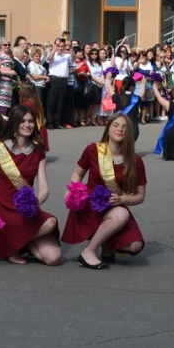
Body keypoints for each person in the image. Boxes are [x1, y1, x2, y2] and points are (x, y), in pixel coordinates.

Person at [0, 105, 61, 265]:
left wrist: (37, 201)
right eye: (22, 121)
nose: (27, 125)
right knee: (50, 249)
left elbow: (44, 187)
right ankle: (14, 246)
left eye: (31, 121)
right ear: (14, 123)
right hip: (4, 210)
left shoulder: (38, 151)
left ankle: (16, 243)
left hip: (26, 210)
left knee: (53, 257)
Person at [63, 113, 147, 269]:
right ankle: (88, 253)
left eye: (124, 127)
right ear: (108, 129)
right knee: (122, 214)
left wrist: (122, 200)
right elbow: (78, 173)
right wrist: (74, 189)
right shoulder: (93, 150)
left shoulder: (135, 160)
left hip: (114, 205)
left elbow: (140, 196)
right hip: (90, 206)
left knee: (135, 245)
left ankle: (106, 245)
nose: (120, 129)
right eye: (115, 125)